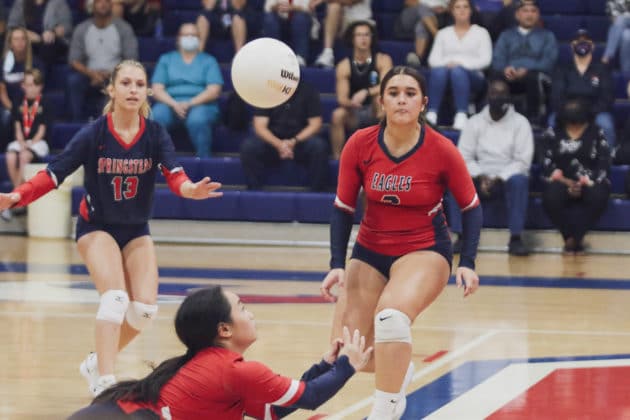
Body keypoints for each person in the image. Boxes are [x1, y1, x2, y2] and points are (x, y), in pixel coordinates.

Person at [0, 60, 224, 397]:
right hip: (96, 226)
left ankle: (95, 361)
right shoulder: (95, 133)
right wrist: (18, 195)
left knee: (145, 310)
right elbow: (54, 173)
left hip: (135, 228)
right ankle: (104, 381)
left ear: (147, 91)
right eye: (126, 83)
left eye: (139, 84)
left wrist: (190, 189)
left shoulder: (154, 133)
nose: (133, 89)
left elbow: (175, 174)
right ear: (112, 90)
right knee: (116, 298)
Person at [320, 66, 482, 420]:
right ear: (381, 101)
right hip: (369, 249)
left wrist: (467, 261)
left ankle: (385, 410)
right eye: (393, 92)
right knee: (349, 353)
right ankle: (399, 375)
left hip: (424, 250)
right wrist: (336, 264)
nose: (401, 99)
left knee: (391, 318)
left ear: (423, 103)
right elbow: (343, 208)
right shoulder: (359, 144)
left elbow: (471, 208)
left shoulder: (442, 149)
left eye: (410, 93)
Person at [68, 286, 373, 419]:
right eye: (242, 307)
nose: (250, 314)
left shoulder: (222, 367)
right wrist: (348, 366)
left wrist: (326, 365)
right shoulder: (234, 370)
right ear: (224, 330)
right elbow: (310, 397)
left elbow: (272, 411)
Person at [446, 79, 533, 256]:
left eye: (502, 94)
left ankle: (515, 238)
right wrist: (481, 176)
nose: (498, 97)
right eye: (494, 93)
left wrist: (499, 177)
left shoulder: (521, 123)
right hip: (480, 178)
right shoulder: (474, 122)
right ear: (487, 96)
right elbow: (463, 158)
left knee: (520, 181)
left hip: (507, 179)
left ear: (509, 97)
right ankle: (462, 236)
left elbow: (523, 161)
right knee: (456, 179)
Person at [541, 98, 612, 255]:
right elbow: (545, 162)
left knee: (599, 194)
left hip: (589, 181)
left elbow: (604, 162)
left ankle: (577, 238)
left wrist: (585, 181)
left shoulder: (596, 132)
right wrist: (566, 182)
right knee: (550, 195)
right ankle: (567, 236)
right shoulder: (553, 132)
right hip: (561, 180)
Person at [240, 80, 329, 191]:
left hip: (299, 141)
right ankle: (254, 191)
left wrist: (293, 141)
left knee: (319, 147)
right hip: (272, 142)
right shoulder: (267, 91)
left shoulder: (308, 90)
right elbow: (259, 126)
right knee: (249, 147)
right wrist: (279, 144)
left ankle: (317, 192)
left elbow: (315, 124)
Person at [151, 22, 223, 158]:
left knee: (197, 120)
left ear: (199, 38)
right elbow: (157, 88)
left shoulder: (209, 61)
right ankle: (155, 159)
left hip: (201, 104)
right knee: (156, 115)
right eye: (186, 35)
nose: (190, 38)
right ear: (178, 38)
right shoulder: (166, 59)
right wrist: (174, 104)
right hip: (169, 103)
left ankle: (204, 159)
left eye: (193, 35)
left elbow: (214, 90)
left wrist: (190, 103)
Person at [330, 20, 393, 159]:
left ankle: (384, 154)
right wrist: (351, 103)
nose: (363, 38)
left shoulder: (382, 59)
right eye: (359, 35)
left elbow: (387, 85)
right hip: (354, 111)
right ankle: (338, 158)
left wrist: (366, 92)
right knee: (337, 115)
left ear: (372, 38)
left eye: (366, 35)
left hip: (375, 110)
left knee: (380, 100)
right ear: (352, 39)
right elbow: (342, 98)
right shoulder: (344, 65)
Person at [66, 0, 138, 121]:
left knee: (116, 86)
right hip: (89, 75)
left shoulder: (124, 28)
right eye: (99, 1)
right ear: (92, 6)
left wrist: (110, 74)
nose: (103, 4)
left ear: (111, 5)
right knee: (73, 81)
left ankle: (106, 128)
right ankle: (76, 124)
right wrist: (92, 74)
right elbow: (74, 60)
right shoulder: (82, 28)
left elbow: (131, 59)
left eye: (106, 1)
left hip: (115, 75)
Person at [425, 0, 492, 130]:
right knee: (438, 71)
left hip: (475, 77)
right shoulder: (443, 33)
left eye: (465, 7)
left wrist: (460, 64)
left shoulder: (481, 32)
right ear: (452, 11)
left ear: (470, 11)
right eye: (458, 7)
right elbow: (432, 60)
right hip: (446, 74)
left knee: (457, 71)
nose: (461, 10)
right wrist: (450, 64)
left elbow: (486, 60)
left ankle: (461, 114)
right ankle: (432, 113)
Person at [491, 0, 557, 123]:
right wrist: (506, 68)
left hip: (535, 76)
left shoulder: (547, 36)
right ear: (517, 14)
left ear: (538, 15)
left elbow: (548, 62)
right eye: (525, 11)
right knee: (496, 76)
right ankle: (496, 116)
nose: (529, 14)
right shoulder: (506, 35)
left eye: (533, 11)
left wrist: (526, 69)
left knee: (534, 77)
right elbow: (497, 60)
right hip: (510, 75)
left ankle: (534, 120)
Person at [551, 29, 616, 147]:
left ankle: (608, 157)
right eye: (578, 41)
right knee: (552, 122)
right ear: (572, 46)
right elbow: (556, 96)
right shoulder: (562, 69)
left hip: (595, 112)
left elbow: (607, 97)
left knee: (606, 125)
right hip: (567, 110)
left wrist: (589, 112)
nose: (582, 44)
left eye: (586, 41)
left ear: (593, 46)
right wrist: (570, 111)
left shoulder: (602, 69)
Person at [2, 68, 51, 222]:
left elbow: (42, 131)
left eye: (31, 85)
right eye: (26, 85)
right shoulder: (18, 102)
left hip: (39, 142)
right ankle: (17, 198)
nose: (28, 88)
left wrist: (29, 145)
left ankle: (12, 199)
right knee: (10, 155)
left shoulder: (45, 102)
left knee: (23, 156)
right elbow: (17, 127)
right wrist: (22, 143)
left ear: (39, 86)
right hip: (22, 140)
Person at [0, 26, 42, 148]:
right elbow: (1, 91)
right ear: (10, 43)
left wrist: (23, 109)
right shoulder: (2, 64)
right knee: (6, 116)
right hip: (7, 105)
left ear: (27, 42)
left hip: (30, 104)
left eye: (23, 39)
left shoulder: (36, 63)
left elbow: (37, 88)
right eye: (16, 39)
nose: (19, 42)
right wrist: (14, 109)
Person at [7, 0, 72, 72]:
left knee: (47, 46)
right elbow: (12, 26)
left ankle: (38, 80)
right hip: (28, 38)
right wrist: (26, 34)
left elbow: (67, 26)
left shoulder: (58, 2)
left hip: (51, 40)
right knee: (17, 43)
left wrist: (53, 33)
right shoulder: (20, 2)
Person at [311, 0, 373, 69]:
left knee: (334, 4)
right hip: (342, 23)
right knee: (334, 7)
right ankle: (327, 52)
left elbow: (350, 1)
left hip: (360, 22)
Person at [262, 0, 313, 66]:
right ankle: (274, 57)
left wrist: (293, 8)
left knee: (300, 18)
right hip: (279, 20)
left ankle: (300, 57)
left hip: (299, 20)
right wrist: (276, 7)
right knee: (269, 19)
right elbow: (267, 8)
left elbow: (309, 9)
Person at [602, 0, 630, 74]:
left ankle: (608, 54)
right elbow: (613, 19)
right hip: (621, 27)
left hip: (620, 24)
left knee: (621, 19)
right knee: (626, 36)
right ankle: (626, 74)